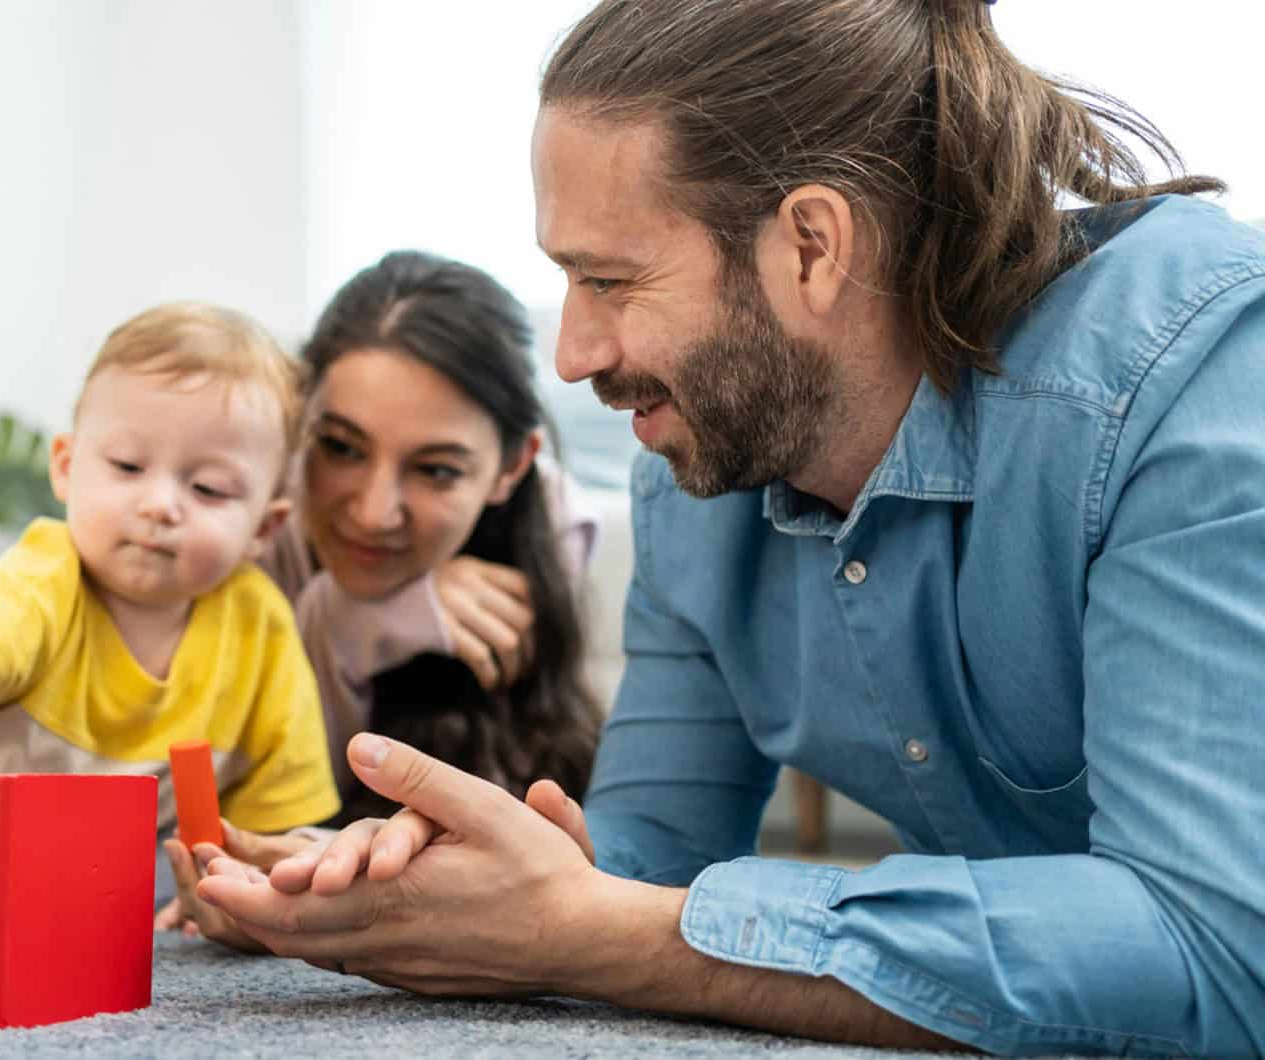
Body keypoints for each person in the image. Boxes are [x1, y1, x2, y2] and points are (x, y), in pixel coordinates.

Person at [192, 1, 1265, 1054]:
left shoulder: (1198, 377)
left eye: (608, 280)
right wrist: (441, 877)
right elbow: (645, 860)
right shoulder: (698, 482)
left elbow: (1216, 952)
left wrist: (597, 933)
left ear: (811, 247)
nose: (571, 354)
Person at [156, 252, 603, 947]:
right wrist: (348, 623)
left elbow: (516, 805)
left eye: (436, 470)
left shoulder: (550, 524)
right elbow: (203, 802)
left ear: (511, 466)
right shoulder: (238, 526)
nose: (372, 512)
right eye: (340, 447)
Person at [0, 301, 339, 876]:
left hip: (101, 869)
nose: (160, 505)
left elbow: (274, 818)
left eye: (208, 488)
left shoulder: (261, 628)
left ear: (264, 527)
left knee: (183, 872)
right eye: (128, 466)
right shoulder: (46, 578)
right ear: (66, 467)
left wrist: (255, 878)